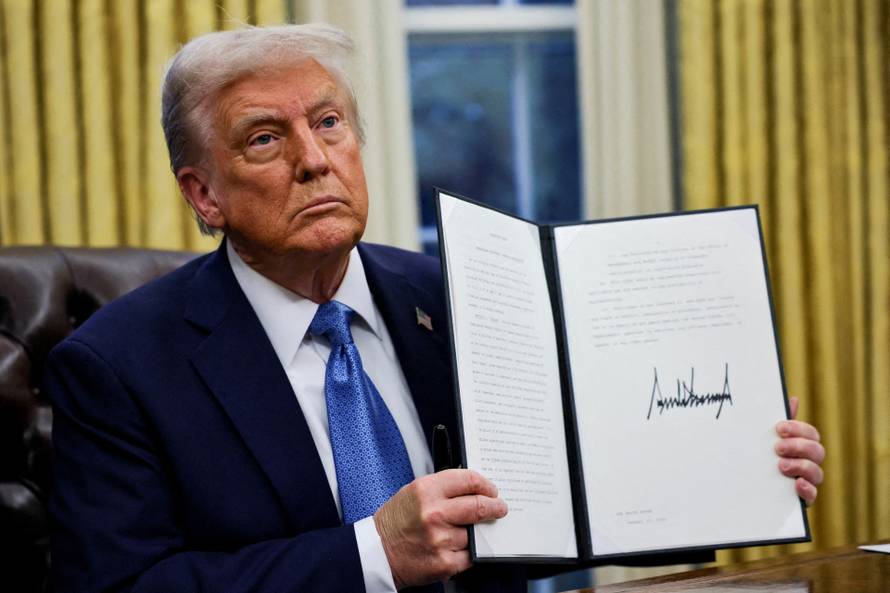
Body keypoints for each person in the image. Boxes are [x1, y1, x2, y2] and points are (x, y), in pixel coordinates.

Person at [46, 24, 825, 593]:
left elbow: (565, 508)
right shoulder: (117, 366)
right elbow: (124, 585)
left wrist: (726, 467)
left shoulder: (457, 297)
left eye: (328, 123)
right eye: (264, 139)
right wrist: (373, 555)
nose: (314, 159)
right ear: (203, 194)